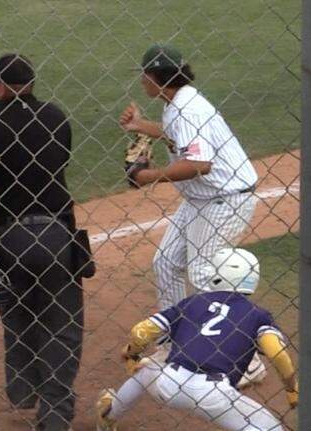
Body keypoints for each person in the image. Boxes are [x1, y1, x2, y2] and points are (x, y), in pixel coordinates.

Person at [118, 43, 264, 387]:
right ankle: (175, 343)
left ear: (156, 78)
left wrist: (148, 177)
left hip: (224, 200)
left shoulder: (188, 110)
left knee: (204, 272)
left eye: (144, 76)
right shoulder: (178, 102)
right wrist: (140, 125)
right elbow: (177, 137)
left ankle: (249, 358)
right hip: (202, 201)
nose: (141, 82)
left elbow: (199, 164)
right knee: (166, 262)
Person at [0, 53, 84, 430]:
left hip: (7, 241)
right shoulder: (56, 119)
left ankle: (24, 390)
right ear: (30, 84)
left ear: (0, 86)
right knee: (61, 322)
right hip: (56, 234)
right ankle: (56, 412)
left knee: (17, 314)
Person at [96, 248, 297, 430]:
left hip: (169, 384)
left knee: (146, 370)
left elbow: (142, 331)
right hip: (215, 395)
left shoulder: (192, 302)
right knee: (268, 427)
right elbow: (278, 354)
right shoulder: (257, 314)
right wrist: (291, 389)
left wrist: (132, 353)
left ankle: (109, 414)